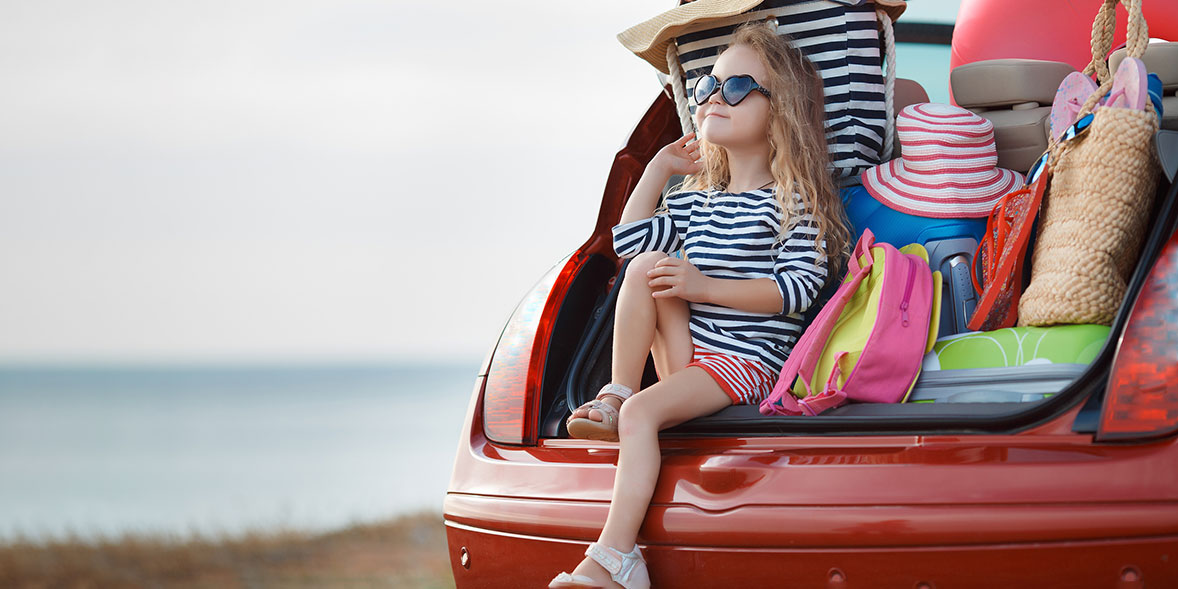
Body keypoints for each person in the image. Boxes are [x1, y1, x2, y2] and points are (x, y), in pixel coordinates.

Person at [549, 21, 850, 589]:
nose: (715, 95)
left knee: (643, 416)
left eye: (736, 88)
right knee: (643, 268)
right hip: (693, 356)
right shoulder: (695, 200)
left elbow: (796, 291)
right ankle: (617, 391)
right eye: (707, 86)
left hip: (747, 362)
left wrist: (703, 286)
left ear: (779, 109)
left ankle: (615, 561)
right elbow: (628, 246)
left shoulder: (792, 201)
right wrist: (657, 169)